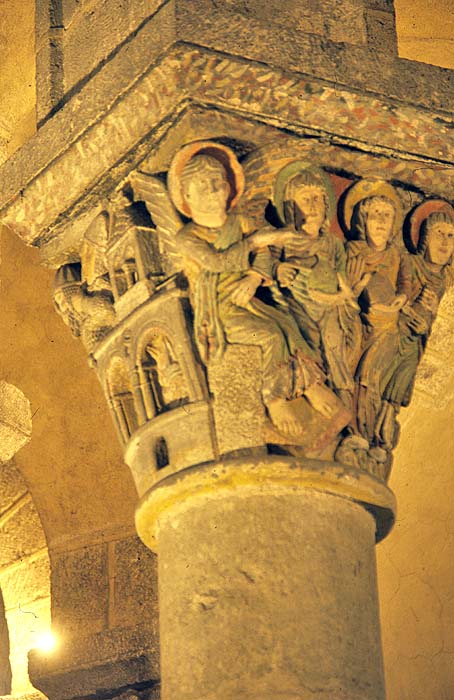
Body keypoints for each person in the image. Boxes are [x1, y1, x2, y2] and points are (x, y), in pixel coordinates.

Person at [167, 143, 334, 436]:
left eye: (218, 182)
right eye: (202, 186)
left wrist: (255, 278)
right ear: (187, 195)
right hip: (217, 313)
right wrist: (255, 242)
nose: (212, 190)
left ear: (230, 187)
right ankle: (275, 398)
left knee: (288, 325)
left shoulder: (240, 221)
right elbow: (216, 262)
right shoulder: (187, 236)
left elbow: (267, 254)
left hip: (248, 299)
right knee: (268, 335)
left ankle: (312, 385)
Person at [270, 163, 358, 409]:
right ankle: (315, 391)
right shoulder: (284, 238)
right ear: (290, 208)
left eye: (317, 198)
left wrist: (346, 294)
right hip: (300, 304)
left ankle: (345, 397)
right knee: (309, 342)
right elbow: (269, 263)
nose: (312, 204)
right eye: (304, 199)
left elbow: (340, 271)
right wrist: (279, 269)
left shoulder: (331, 242)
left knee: (335, 346)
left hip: (331, 306)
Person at [378, 202, 454, 448]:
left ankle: (387, 418)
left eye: (450, 236)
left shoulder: (441, 281)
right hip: (394, 328)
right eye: (438, 234)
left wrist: (425, 321)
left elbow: (427, 322)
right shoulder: (411, 263)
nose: (444, 242)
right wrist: (411, 309)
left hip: (414, 339)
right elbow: (396, 294)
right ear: (423, 238)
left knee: (408, 366)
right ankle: (376, 416)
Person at [343, 181, 411, 449]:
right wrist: (362, 284)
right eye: (375, 215)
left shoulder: (396, 254)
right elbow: (347, 288)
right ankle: (354, 429)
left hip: (388, 325)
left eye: (387, 216)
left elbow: (405, 283)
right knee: (357, 371)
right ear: (363, 221)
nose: (381, 222)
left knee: (374, 374)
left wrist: (401, 298)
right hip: (360, 322)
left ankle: (367, 431)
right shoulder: (354, 250)